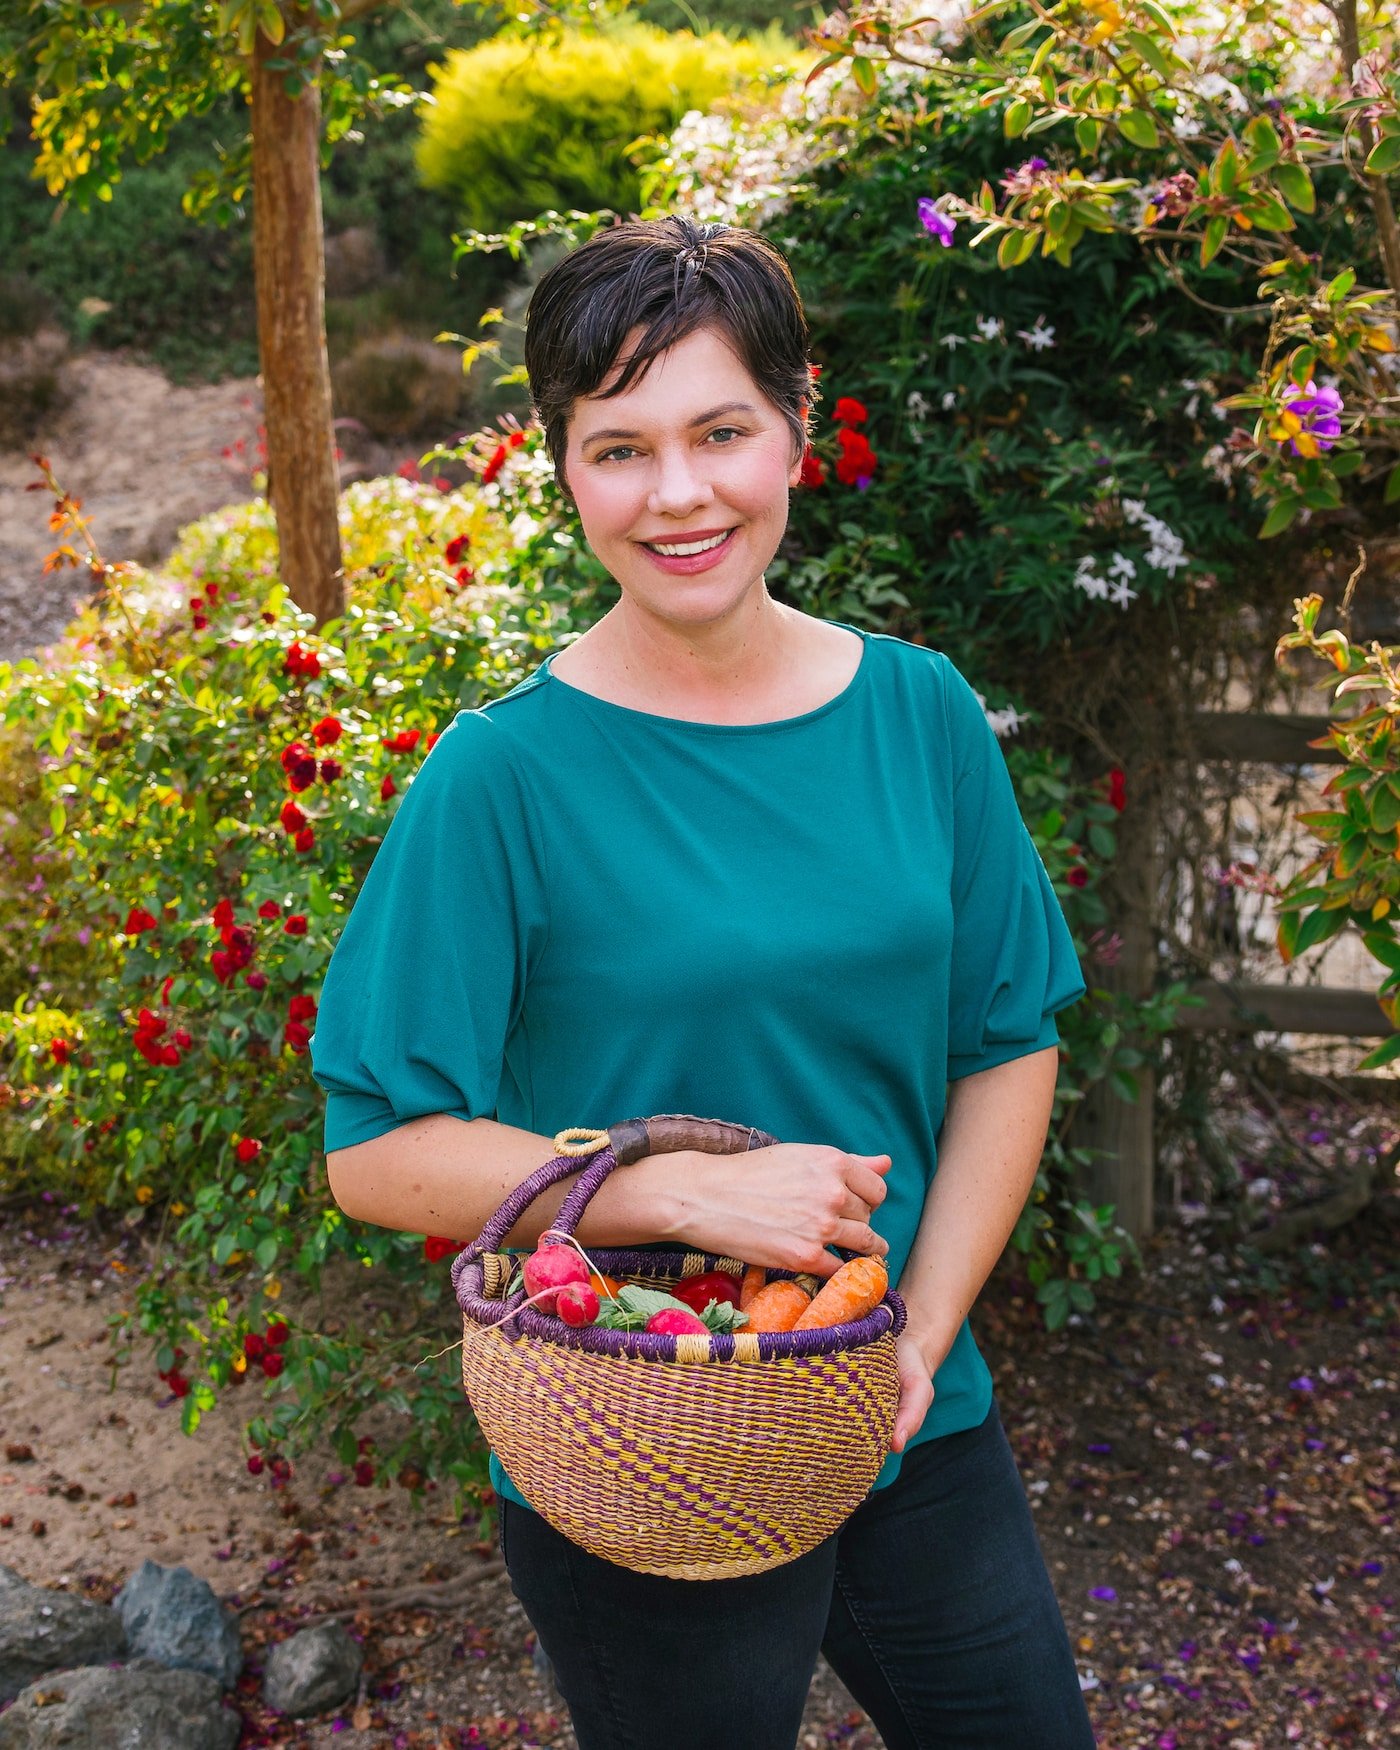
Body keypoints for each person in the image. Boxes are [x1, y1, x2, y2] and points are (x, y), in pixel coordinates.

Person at [311, 215, 1096, 1750]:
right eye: (620, 447)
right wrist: (667, 1188)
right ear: (563, 472)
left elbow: (1006, 1041)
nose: (678, 494)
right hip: (638, 1442)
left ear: (800, 429)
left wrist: (921, 1332)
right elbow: (377, 1150)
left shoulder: (920, 713)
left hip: (903, 1409)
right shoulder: (501, 779)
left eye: (721, 430)